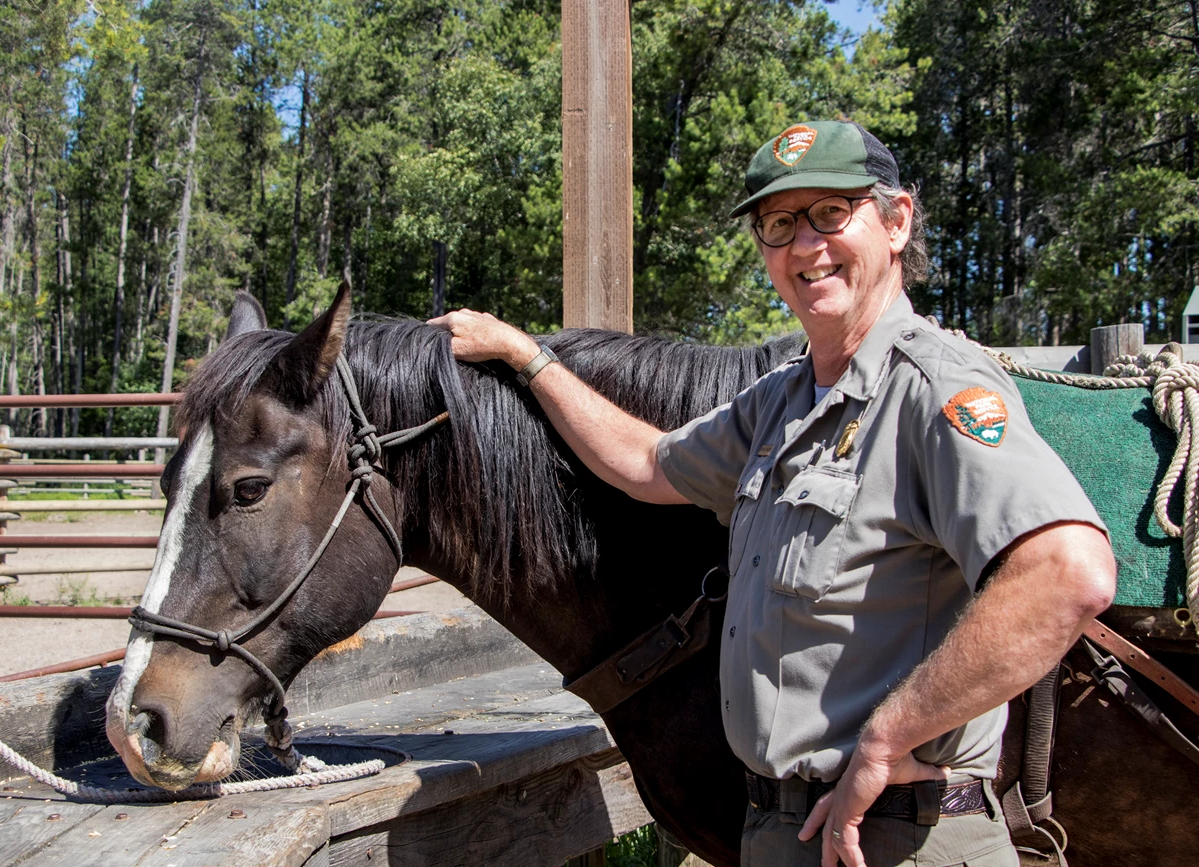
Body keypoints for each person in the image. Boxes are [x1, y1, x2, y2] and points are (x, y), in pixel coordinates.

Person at [429, 119, 1116, 867]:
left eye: (831, 213)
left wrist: (888, 738)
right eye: (779, 223)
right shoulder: (781, 403)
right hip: (777, 831)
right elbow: (649, 463)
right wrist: (528, 356)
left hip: (898, 837)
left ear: (895, 221)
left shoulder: (933, 390)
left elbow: (1067, 571)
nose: (805, 245)